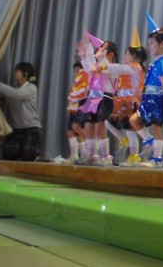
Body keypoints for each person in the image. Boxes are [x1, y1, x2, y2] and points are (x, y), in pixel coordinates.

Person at [129, 14, 163, 168]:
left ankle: (157, 159)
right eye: (149, 43)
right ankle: (148, 141)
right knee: (134, 120)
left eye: (152, 43)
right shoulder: (156, 61)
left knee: (156, 126)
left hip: (159, 98)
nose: (149, 46)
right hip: (149, 97)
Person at [101, 33, 146, 167]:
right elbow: (112, 72)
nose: (125, 56)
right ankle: (124, 141)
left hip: (132, 103)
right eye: (125, 53)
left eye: (128, 54)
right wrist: (99, 68)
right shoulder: (127, 69)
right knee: (109, 123)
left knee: (131, 131)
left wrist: (103, 62)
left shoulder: (135, 68)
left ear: (136, 57)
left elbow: (117, 68)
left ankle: (135, 156)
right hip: (123, 103)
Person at [0, 62, 42, 161]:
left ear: (25, 74)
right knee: (9, 155)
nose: (14, 73)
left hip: (30, 129)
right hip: (14, 130)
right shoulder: (13, 90)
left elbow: (16, 94)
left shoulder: (31, 88)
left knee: (28, 156)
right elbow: (0, 92)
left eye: (17, 71)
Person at [78, 35, 118, 166]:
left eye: (102, 50)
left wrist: (91, 54)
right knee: (89, 126)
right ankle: (92, 155)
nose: (98, 52)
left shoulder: (112, 67)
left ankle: (106, 156)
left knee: (99, 127)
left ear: (111, 54)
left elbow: (98, 68)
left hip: (105, 98)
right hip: (93, 98)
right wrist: (85, 53)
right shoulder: (98, 65)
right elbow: (90, 68)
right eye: (98, 50)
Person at [53, 61, 88, 164]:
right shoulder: (74, 85)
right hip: (73, 109)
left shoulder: (86, 83)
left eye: (79, 70)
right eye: (75, 71)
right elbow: (71, 97)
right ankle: (74, 155)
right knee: (70, 131)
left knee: (77, 128)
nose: (76, 73)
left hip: (81, 109)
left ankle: (87, 152)